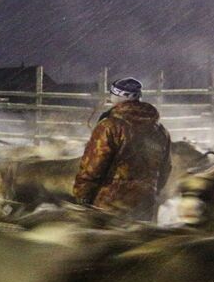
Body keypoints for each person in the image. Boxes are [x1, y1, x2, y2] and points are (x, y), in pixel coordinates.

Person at [72, 77, 171, 220]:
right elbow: (165, 168)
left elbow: (93, 166)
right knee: (139, 234)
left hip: (110, 204)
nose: (111, 97)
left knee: (107, 235)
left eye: (112, 94)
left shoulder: (110, 126)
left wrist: (82, 195)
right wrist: (151, 190)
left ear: (120, 97)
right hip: (144, 204)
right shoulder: (160, 130)